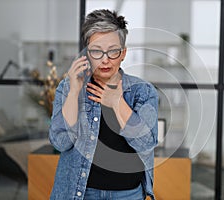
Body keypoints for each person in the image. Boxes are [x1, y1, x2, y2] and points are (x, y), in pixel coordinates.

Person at [49, 9, 159, 200]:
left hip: (128, 194)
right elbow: (60, 142)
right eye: (97, 51)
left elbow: (146, 143)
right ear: (87, 54)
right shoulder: (68, 87)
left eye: (113, 51)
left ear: (123, 53)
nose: (105, 59)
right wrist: (74, 91)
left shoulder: (144, 91)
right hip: (81, 193)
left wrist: (117, 103)